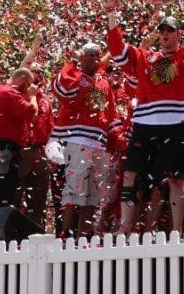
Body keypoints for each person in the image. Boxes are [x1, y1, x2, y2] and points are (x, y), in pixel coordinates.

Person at [106, 0, 184, 234]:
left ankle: (177, 230)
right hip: (144, 123)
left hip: (174, 123)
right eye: (162, 30)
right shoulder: (145, 56)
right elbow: (118, 51)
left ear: (177, 34)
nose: (164, 35)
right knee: (131, 174)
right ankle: (125, 227)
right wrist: (111, 14)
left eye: (170, 31)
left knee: (175, 179)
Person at [51, 42, 120, 238]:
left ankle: (83, 237)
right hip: (78, 141)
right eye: (90, 55)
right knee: (74, 192)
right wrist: (72, 62)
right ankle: (66, 234)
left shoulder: (104, 83)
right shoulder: (76, 77)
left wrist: (118, 139)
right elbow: (60, 89)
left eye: (98, 55)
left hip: (99, 142)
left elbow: (111, 114)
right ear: (82, 57)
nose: (96, 58)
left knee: (92, 195)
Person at [0, 67, 38, 209]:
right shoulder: (11, 93)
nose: (27, 89)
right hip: (5, 146)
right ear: (22, 79)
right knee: (6, 188)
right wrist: (32, 96)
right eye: (28, 85)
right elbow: (31, 113)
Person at [16, 66, 54, 232]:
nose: (38, 74)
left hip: (40, 150)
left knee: (39, 197)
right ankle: (12, 233)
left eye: (40, 71)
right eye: (34, 71)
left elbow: (50, 126)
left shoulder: (45, 99)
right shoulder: (18, 95)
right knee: (15, 194)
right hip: (22, 150)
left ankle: (35, 233)